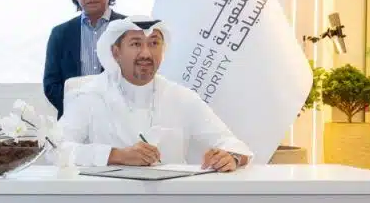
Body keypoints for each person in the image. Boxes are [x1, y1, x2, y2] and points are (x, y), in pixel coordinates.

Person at [58, 16, 252, 172]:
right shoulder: (90, 95)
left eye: (153, 44)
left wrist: (231, 157)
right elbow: (56, 149)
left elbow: (234, 144)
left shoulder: (181, 97)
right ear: (116, 53)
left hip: (170, 202)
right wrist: (116, 155)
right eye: (136, 44)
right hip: (107, 201)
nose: (146, 53)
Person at [43, 0, 127, 118]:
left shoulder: (129, 29)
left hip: (119, 121)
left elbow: (137, 80)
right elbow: (51, 85)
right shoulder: (60, 33)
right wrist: (81, 110)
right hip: (72, 121)